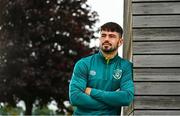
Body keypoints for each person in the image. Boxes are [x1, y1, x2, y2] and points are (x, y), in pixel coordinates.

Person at [69, 22, 134, 115]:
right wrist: (113, 102)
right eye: (103, 35)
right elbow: (75, 98)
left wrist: (91, 91)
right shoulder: (83, 64)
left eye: (112, 36)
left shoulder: (125, 67)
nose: (106, 39)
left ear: (120, 42)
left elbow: (126, 97)